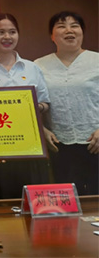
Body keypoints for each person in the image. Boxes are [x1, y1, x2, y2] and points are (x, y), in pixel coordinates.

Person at [0, 13, 51, 198]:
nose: (7, 37)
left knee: (28, 198)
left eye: (12, 32)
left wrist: (35, 107)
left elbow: (45, 102)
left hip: (28, 144)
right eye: (0, 32)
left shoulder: (31, 67)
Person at [35, 11, 99, 195]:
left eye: (74, 26)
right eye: (62, 26)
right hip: (58, 145)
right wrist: (42, 130)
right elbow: (32, 104)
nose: (69, 30)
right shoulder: (38, 65)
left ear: (82, 32)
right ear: (52, 35)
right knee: (67, 199)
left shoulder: (96, 60)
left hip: (95, 141)